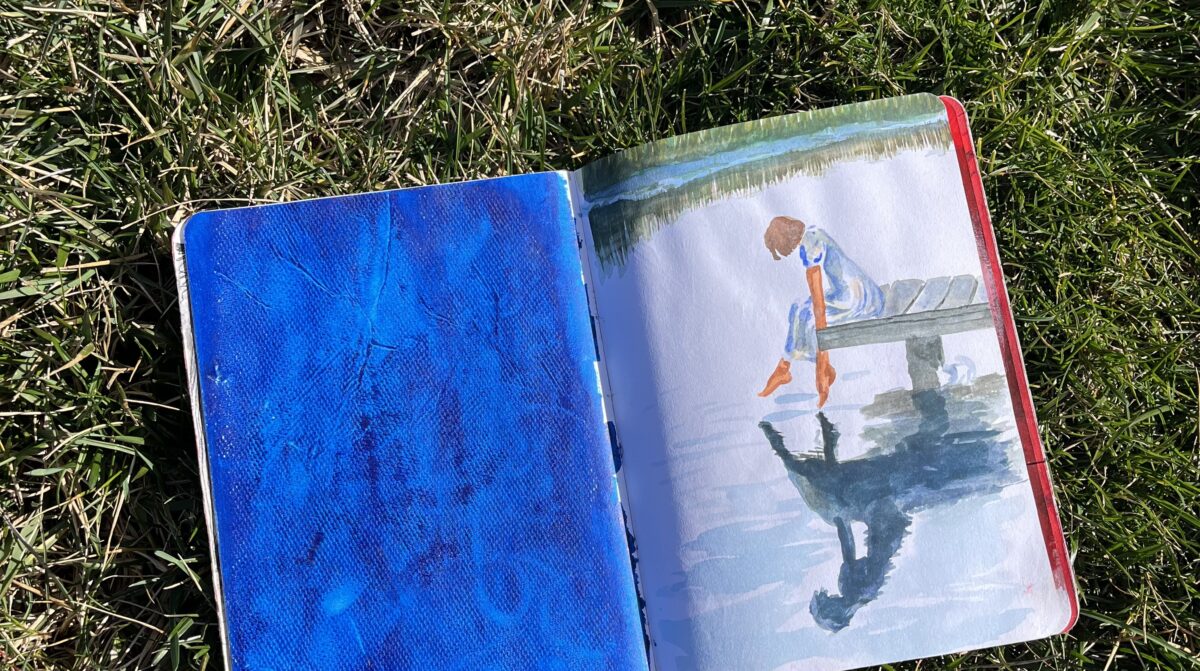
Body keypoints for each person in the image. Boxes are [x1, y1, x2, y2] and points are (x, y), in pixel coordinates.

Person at [758, 216, 884, 406]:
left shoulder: (811, 247)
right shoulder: (811, 234)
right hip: (845, 291)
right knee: (797, 307)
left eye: (778, 247)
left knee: (808, 316)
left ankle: (822, 371)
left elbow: (818, 304)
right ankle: (784, 368)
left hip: (857, 298)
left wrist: (822, 366)